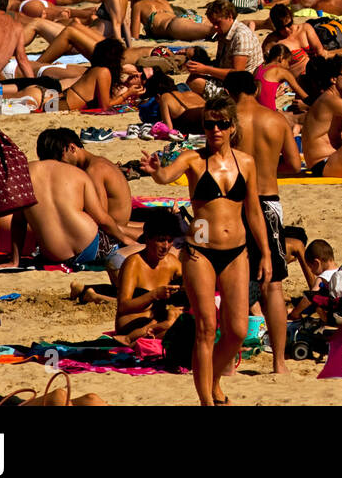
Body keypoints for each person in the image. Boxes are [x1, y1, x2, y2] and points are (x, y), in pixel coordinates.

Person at [141, 96, 272, 405]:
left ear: (233, 128)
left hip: (236, 251)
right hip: (200, 252)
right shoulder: (193, 159)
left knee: (238, 329)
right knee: (206, 326)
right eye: (209, 124)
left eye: (222, 124)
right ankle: (206, 401)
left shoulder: (246, 162)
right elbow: (166, 176)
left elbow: (253, 210)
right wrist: (155, 171)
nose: (215, 129)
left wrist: (265, 251)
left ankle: (211, 379)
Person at [225, 70, 300, 373]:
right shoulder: (277, 119)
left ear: (230, 92)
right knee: (274, 286)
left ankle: (230, 362)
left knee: (234, 283)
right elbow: (295, 164)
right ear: (256, 88)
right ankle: (280, 363)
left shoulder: (228, 121)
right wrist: (268, 169)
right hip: (269, 203)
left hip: (235, 203)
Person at [16, 157, 137, 269]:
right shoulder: (78, 173)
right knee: (121, 231)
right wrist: (125, 240)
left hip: (54, 255)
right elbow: (102, 218)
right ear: (64, 151)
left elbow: (18, 222)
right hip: (92, 247)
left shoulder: (24, 174)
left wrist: (15, 260)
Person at [110, 210, 184, 341]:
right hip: (131, 323)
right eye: (161, 241)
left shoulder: (172, 263)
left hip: (157, 322)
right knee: (177, 337)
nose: (166, 246)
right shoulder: (134, 263)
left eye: (170, 241)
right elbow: (123, 306)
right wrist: (154, 295)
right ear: (148, 238)